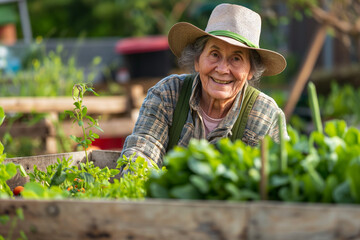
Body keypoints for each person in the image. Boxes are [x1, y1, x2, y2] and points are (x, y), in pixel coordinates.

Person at [120, 3, 289, 168]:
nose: (223, 69)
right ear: (197, 61)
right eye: (214, 54)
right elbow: (142, 152)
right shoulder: (168, 94)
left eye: (236, 58)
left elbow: (280, 174)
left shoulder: (266, 115)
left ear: (250, 70)